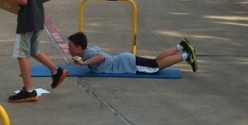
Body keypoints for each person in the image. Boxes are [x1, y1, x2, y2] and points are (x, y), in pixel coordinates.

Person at [67, 31, 198, 74]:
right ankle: (180, 47)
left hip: (127, 65)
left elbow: (100, 57)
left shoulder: (88, 55)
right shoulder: (89, 50)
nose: (68, 48)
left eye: (70, 46)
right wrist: (82, 60)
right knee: (155, 62)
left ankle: (186, 55)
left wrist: (84, 63)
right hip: (124, 59)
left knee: (157, 67)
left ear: (79, 48)